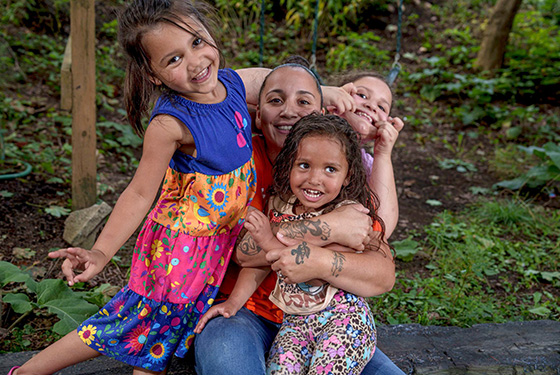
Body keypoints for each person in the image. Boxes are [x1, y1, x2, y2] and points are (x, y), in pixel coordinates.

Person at [10, 1, 274, 374]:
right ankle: (26, 371)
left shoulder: (230, 83)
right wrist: (101, 253)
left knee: (153, 332)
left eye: (198, 42)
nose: (196, 62)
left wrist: (330, 92)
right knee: (141, 329)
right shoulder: (170, 124)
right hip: (180, 248)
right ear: (153, 75)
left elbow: (271, 79)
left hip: (213, 244)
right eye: (174, 60)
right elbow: (138, 193)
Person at [194, 61, 406, 375]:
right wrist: (330, 227)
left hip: (328, 320)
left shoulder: (341, 176)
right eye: (276, 101)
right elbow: (243, 251)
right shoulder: (239, 158)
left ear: (324, 113)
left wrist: (319, 262)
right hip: (245, 312)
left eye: (304, 102)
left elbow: (383, 273)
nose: (289, 111)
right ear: (257, 111)